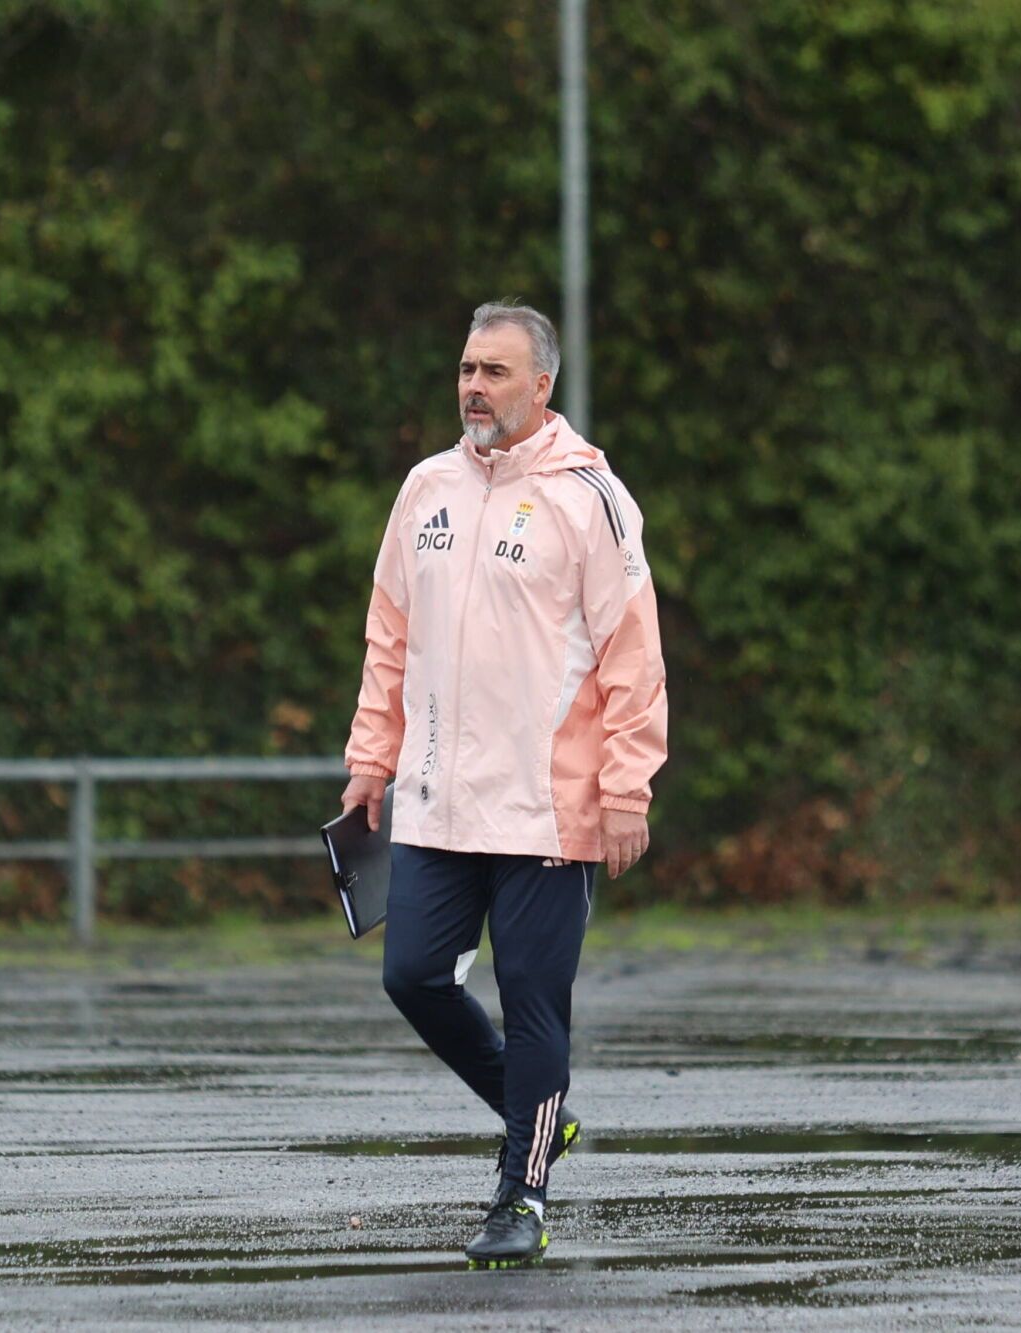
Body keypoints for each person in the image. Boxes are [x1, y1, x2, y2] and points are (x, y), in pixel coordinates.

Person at [339, 301, 669, 1268]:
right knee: (411, 976)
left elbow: (632, 657)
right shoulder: (425, 488)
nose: (473, 386)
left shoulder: (590, 499)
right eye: (466, 367)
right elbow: (388, 637)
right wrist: (372, 758)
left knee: (532, 997)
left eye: (494, 371)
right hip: (439, 801)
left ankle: (520, 1193)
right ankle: (536, 1113)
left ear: (542, 386)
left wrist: (627, 788)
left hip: (547, 809)